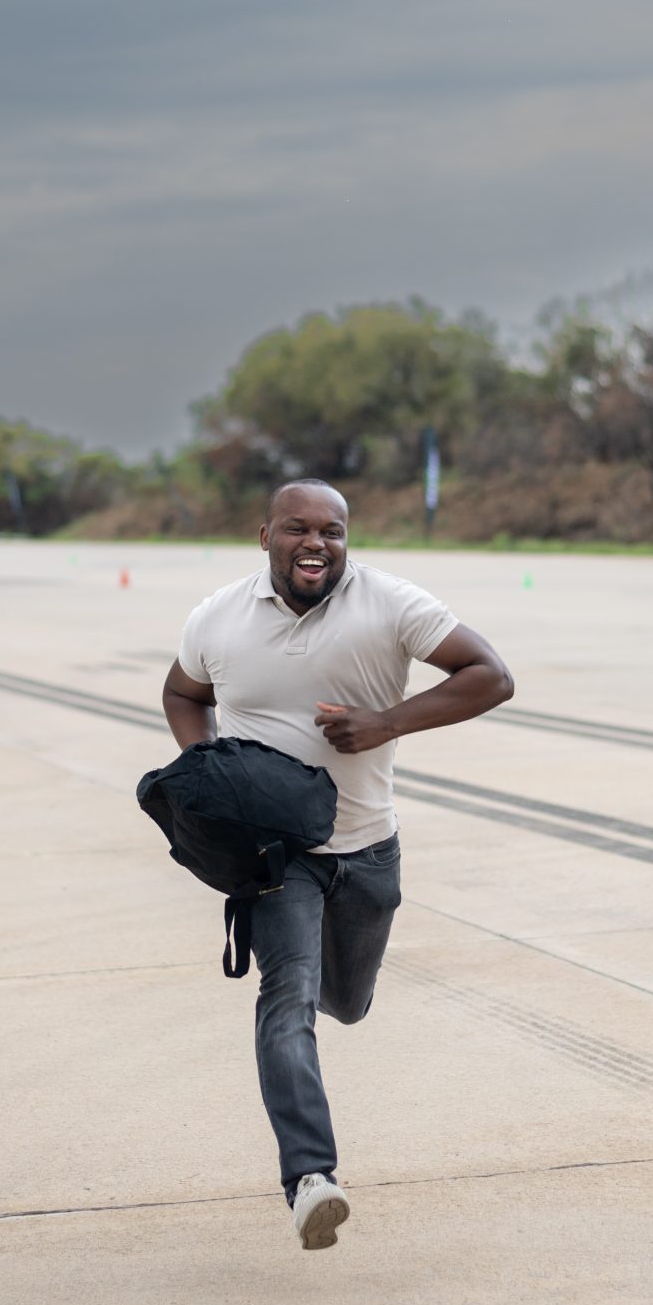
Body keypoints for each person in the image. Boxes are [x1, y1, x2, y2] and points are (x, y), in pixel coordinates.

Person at [162, 479, 514, 1249]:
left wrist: (387, 721)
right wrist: (211, 768)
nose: (316, 543)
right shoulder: (216, 616)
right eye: (297, 529)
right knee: (285, 996)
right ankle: (310, 1179)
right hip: (276, 857)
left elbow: (490, 674)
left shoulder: (391, 604)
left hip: (367, 848)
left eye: (333, 530)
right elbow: (183, 693)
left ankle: (326, 1010)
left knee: (345, 1002)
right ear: (265, 537)